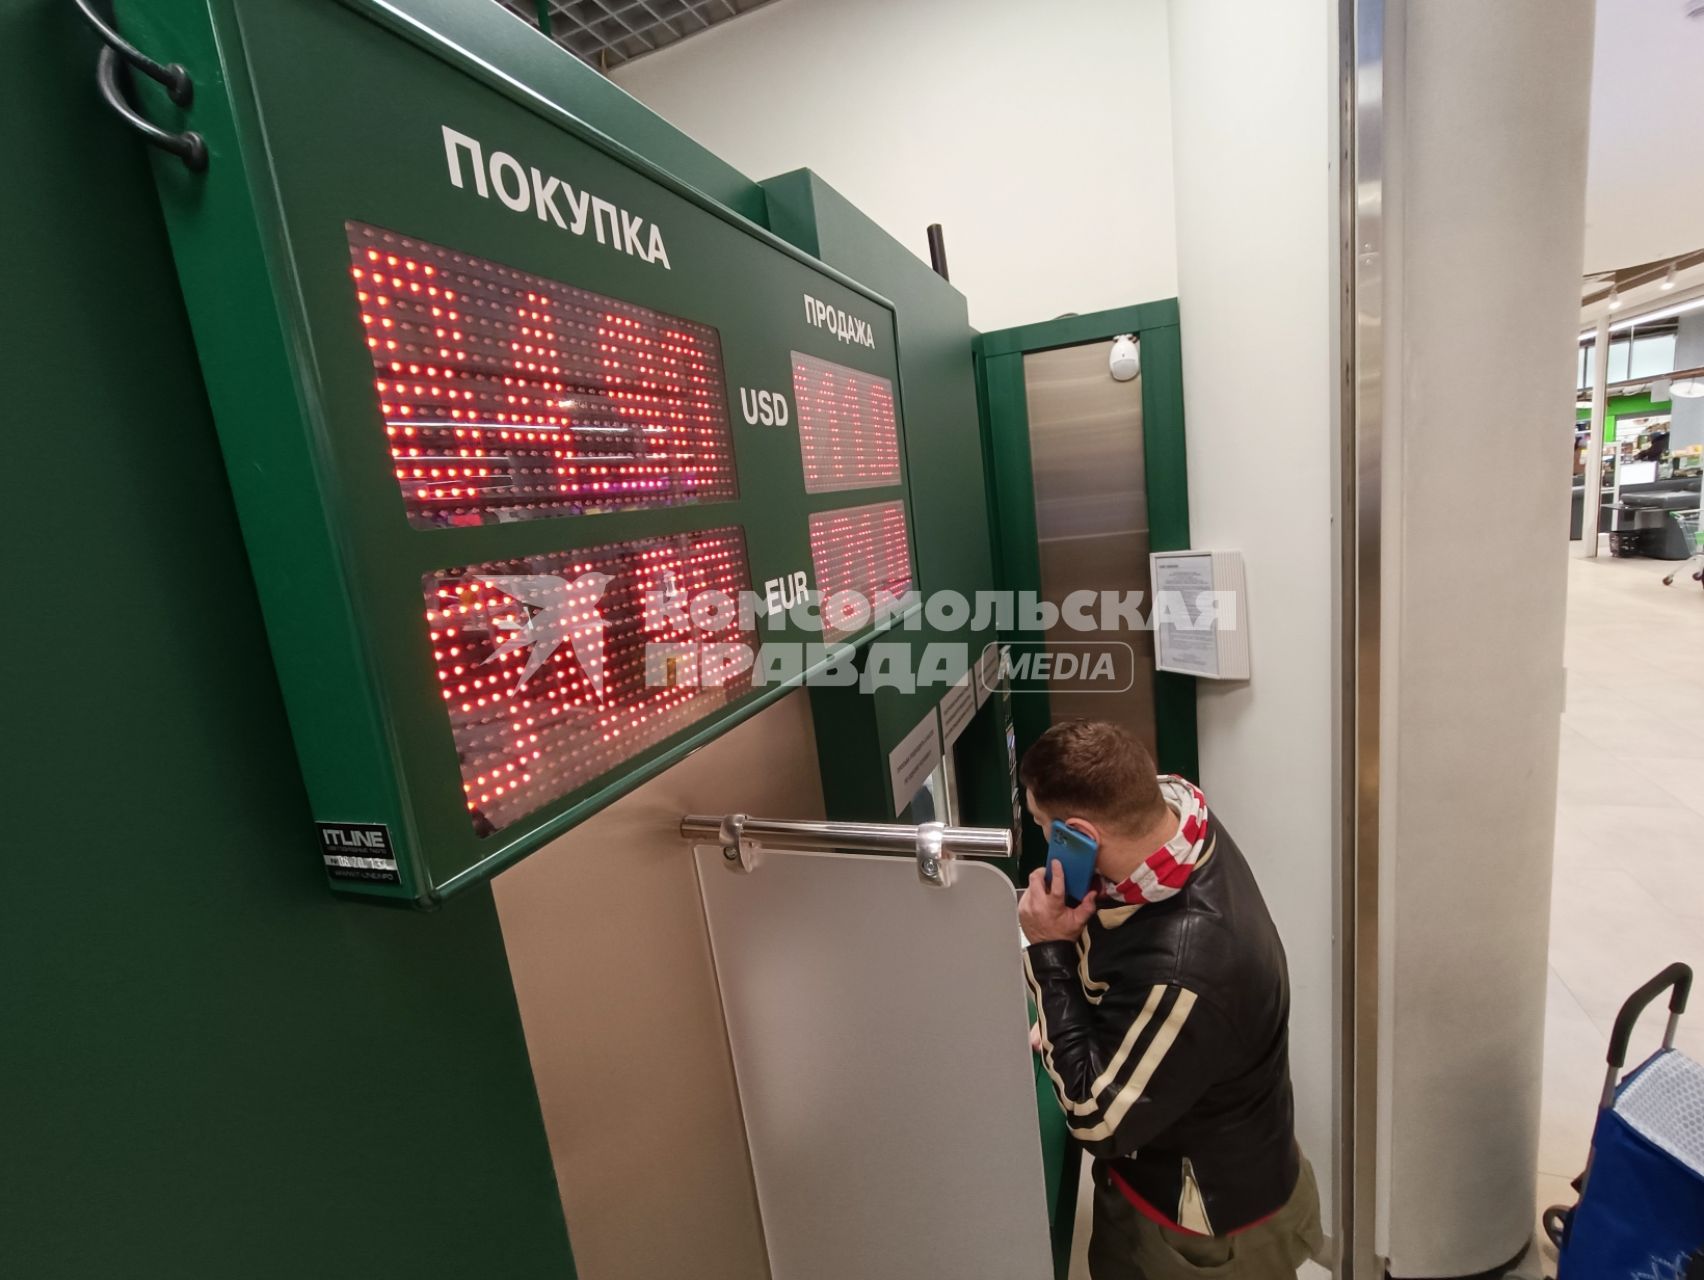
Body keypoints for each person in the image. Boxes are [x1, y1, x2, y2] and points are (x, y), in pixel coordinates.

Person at [1017, 720, 1323, 1278]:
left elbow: (1097, 1121)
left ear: (1082, 836)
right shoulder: (1179, 820)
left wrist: (1048, 954)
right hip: (1213, 1160)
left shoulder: (1188, 968)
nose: (1044, 843)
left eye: (1044, 827)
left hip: (1203, 1236)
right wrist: (1075, 1017)